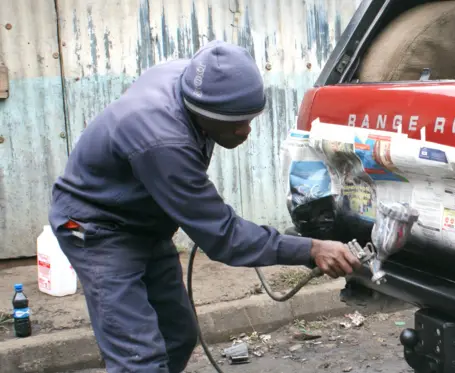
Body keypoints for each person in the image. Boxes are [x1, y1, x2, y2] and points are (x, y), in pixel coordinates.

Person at [48, 40, 361, 373]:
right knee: (139, 358)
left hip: (144, 223)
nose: (246, 130)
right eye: (235, 122)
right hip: (93, 227)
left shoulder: (191, 80)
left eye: (251, 117)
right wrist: (312, 248)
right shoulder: (163, 141)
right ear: (203, 113)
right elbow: (223, 237)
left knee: (178, 335)